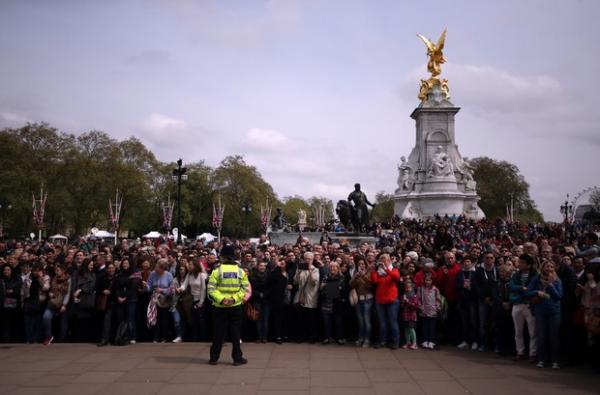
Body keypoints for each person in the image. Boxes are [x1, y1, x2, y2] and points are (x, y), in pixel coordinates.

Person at [207, 244, 250, 366]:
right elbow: (245, 289)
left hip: (219, 307)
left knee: (218, 333)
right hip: (235, 306)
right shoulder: (241, 272)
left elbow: (211, 289)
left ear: (223, 257)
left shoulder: (216, 271)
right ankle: (237, 358)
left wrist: (222, 300)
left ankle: (214, 358)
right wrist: (233, 299)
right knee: (235, 333)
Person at [526, 260, 563, 369]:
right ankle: (541, 359)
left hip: (554, 312)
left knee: (554, 337)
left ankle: (555, 361)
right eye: (547, 266)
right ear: (542, 268)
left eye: (551, 266)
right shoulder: (536, 279)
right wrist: (537, 292)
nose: (549, 268)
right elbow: (527, 292)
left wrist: (550, 286)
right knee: (541, 336)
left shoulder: (557, 281)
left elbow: (559, 296)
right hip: (540, 311)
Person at [508, 254, 537, 362]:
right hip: (517, 305)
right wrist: (521, 288)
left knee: (532, 331)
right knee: (518, 331)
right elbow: (511, 286)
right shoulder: (516, 274)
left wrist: (525, 290)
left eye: (522, 262)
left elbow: (532, 289)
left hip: (529, 305)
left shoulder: (535, 275)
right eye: (519, 262)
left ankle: (532, 354)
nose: (519, 264)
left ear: (528, 265)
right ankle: (520, 352)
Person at [371, 253, 401, 349]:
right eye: (382, 260)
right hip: (380, 300)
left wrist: (386, 269)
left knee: (392, 322)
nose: (383, 262)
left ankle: (395, 341)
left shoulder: (394, 270)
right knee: (382, 322)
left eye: (385, 260)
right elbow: (374, 281)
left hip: (392, 300)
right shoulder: (378, 272)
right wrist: (374, 270)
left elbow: (396, 277)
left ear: (389, 261)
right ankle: (382, 341)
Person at [293, 251, 320, 343]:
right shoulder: (300, 268)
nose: (307, 260)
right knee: (301, 319)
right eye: (306, 259)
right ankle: (301, 337)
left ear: (312, 260)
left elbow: (314, 282)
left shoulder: (315, 270)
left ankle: (312, 338)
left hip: (311, 298)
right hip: (301, 297)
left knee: (311, 320)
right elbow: (295, 282)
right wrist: (298, 272)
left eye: (309, 259)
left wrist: (309, 270)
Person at [146, 259, 174, 343]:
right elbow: (149, 286)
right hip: (155, 299)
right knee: (155, 318)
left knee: (164, 319)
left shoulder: (169, 275)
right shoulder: (152, 274)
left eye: (157, 267)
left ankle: (164, 337)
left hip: (165, 300)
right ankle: (155, 337)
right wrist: (146, 286)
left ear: (162, 268)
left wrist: (162, 290)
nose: (155, 269)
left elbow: (171, 289)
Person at [42, 265, 71, 345]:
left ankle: (61, 342)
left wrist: (64, 305)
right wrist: (50, 293)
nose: (56, 272)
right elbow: (51, 290)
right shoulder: (54, 279)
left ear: (63, 271)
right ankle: (49, 336)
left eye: (58, 270)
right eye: (55, 270)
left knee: (63, 325)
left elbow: (68, 293)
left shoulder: (68, 279)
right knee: (46, 317)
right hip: (53, 302)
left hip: (63, 303)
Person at [320, 262, 346, 345]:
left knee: (338, 322)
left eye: (334, 267)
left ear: (338, 268)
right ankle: (326, 338)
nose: (332, 269)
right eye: (331, 267)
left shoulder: (341, 277)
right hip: (326, 303)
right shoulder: (325, 276)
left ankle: (339, 338)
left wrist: (326, 286)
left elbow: (341, 288)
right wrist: (333, 287)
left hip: (337, 303)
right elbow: (321, 288)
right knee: (326, 322)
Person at [349, 257, 373, 348]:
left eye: (363, 264)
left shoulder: (369, 273)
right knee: (360, 321)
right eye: (359, 264)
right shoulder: (356, 273)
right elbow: (350, 285)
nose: (361, 265)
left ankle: (367, 339)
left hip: (368, 300)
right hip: (358, 300)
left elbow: (371, 285)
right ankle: (360, 338)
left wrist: (363, 276)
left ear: (366, 265)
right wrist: (355, 277)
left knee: (367, 321)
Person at [456, 258, 478, 350]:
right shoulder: (460, 274)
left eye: (468, 261)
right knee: (464, 322)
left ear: (471, 263)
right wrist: (462, 286)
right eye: (465, 262)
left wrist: (471, 288)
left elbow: (478, 286)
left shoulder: (474, 274)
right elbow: (456, 285)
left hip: (472, 300)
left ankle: (475, 341)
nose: (466, 263)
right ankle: (465, 341)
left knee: (473, 322)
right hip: (463, 301)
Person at [418, 274, 441, 349]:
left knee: (432, 327)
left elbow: (438, 299)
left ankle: (431, 341)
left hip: (433, 311)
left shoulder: (435, 289)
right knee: (424, 326)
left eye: (429, 280)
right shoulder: (421, 289)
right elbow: (418, 299)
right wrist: (420, 306)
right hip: (424, 310)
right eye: (426, 280)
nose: (428, 282)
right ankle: (425, 341)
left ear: (432, 281)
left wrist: (437, 307)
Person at [250, 261, 270, 343]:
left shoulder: (269, 276)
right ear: (258, 267)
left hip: (266, 300)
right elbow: (251, 288)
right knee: (258, 318)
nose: (262, 267)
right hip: (257, 299)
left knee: (265, 319)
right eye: (260, 265)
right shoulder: (253, 276)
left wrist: (264, 294)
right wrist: (258, 294)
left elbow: (271, 287)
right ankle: (258, 337)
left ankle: (264, 337)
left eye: (263, 266)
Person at [402, 280, 419, 349]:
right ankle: (408, 342)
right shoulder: (404, 294)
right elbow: (402, 305)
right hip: (405, 314)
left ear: (412, 288)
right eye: (406, 287)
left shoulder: (414, 295)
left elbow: (415, 306)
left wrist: (407, 301)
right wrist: (403, 301)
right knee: (406, 329)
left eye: (409, 287)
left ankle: (414, 343)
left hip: (412, 315)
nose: (407, 289)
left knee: (411, 328)